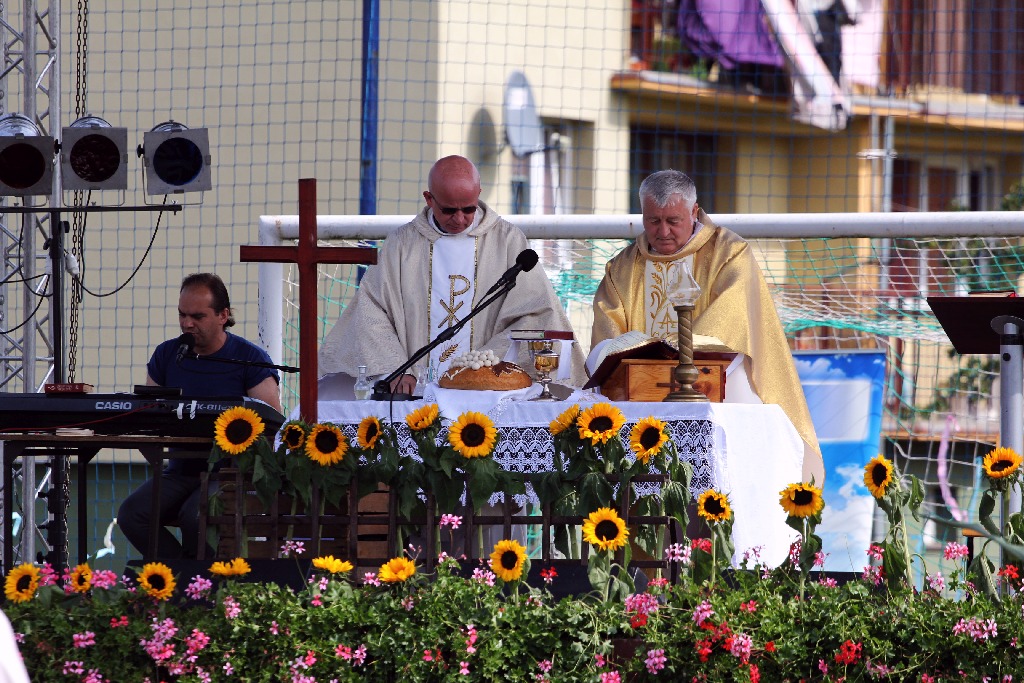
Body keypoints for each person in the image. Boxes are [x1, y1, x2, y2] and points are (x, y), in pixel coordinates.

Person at [591, 170, 823, 484]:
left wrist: (672, 347)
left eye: (673, 220)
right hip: (640, 396)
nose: (662, 232)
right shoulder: (623, 267)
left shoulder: (729, 252)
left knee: (728, 471)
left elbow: (731, 320)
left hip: (716, 381)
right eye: (652, 220)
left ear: (694, 212)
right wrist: (631, 349)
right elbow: (608, 337)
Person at [320, 154, 586, 393]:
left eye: (468, 209)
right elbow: (371, 309)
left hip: (487, 392)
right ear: (429, 199)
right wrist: (396, 368)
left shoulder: (507, 241)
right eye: (449, 210)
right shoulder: (401, 244)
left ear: (479, 194)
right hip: (414, 389)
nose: (459, 218)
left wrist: (481, 365)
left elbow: (536, 313)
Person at [117, 273, 283, 559]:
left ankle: (201, 590)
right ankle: (180, 581)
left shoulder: (249, 358)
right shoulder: (168, 355)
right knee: (132, 514)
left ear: (223, 315)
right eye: (182, 315)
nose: (187, 324)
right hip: (180, 470)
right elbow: (150, 414)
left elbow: (272, 425)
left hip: (231, 472)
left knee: (196, 517)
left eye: (197, 316)